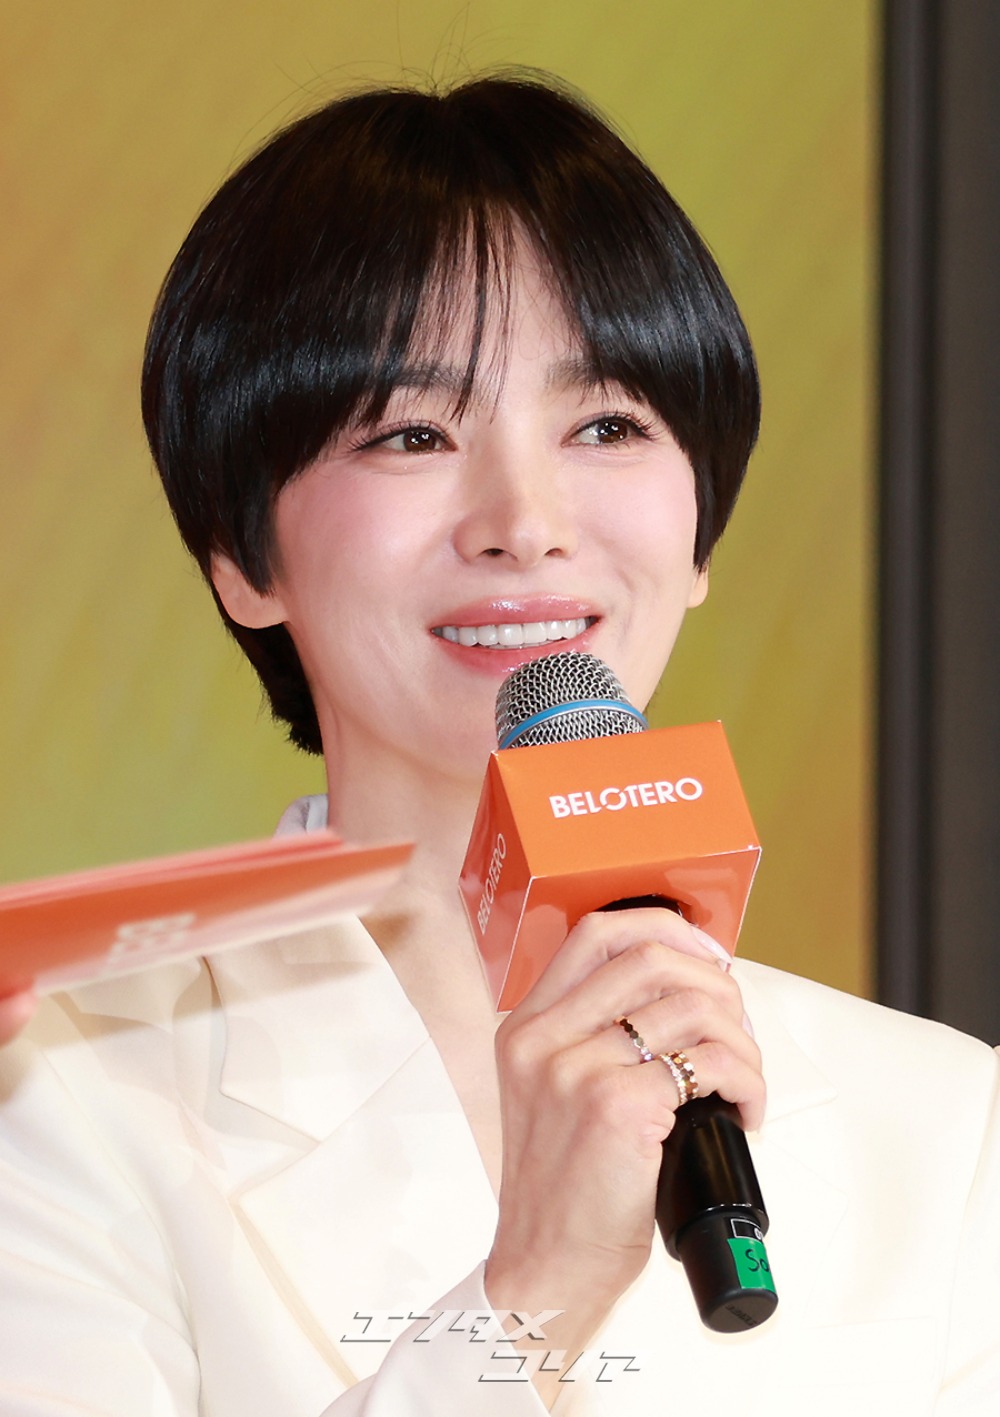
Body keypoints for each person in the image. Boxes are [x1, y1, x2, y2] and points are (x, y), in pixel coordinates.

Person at [0, 72, 997, 1417]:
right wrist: (532, 1293)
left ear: (700, 528)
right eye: (413, 433)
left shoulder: (944, 1127)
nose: (525, 523)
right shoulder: (60, 1089)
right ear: (242, 555)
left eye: (607, 425)